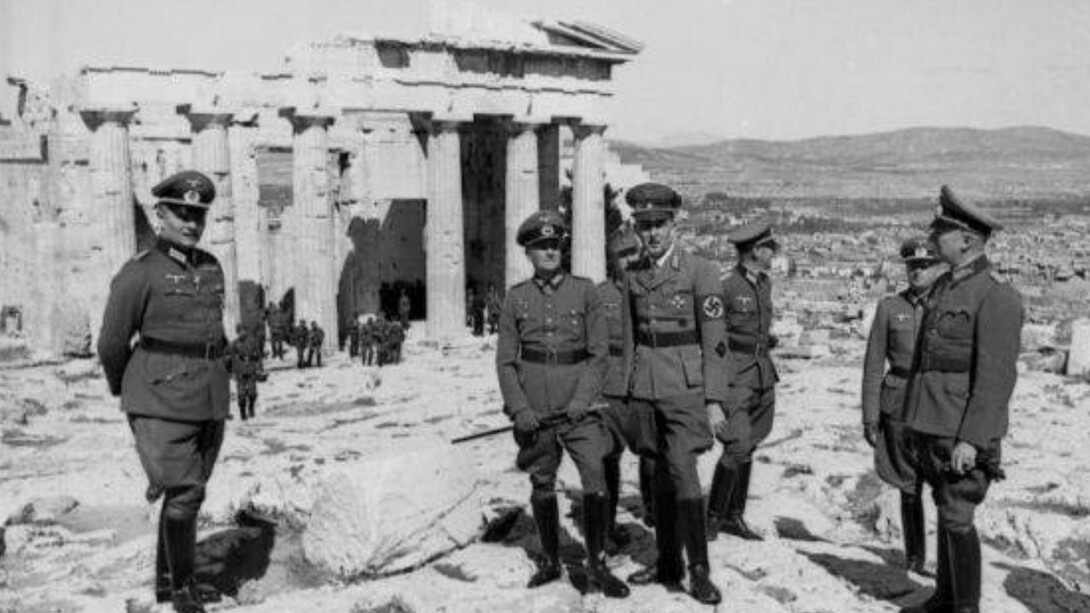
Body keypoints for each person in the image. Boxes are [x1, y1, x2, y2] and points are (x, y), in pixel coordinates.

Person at [97, 170, 229, 613]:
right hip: (159, 396)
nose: (191, 223)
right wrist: (128, 392)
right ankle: (184, 593)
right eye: (182, 214)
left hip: (209, 395)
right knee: (187, 491)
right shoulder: (140, 273)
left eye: (198, 215)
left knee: (185, 493)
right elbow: (112, 342)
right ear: (161, 215)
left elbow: (215, 331)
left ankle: (166, 582)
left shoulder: (211, 267)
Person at [900, 186, 1024, 613]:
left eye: (942, 231)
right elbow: (923, 361)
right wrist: (908, 418)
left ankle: (965, 608)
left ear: (967, 240)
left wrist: (973, 439)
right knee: (945, 509)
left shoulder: (996, 295)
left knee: (957, 515)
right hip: (931, 423)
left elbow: (996, 378)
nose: (933, 238)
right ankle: (946, 598)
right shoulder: (944, 289)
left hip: (960, 430)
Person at [495, 210, 629, 599]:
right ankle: (551, 561)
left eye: (555, 245)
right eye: (541, 247)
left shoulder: (585, 291)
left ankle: (598, 563)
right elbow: (505, 361)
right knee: (542, 481)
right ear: (529, 254)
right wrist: (520, 410)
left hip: (581, 409)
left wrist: (583, 399)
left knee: (595, 478)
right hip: (535, 409)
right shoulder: (515, 298)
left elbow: (599, 355)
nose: (550, 252)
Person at [621, 182, 726, 605]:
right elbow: (630, 338)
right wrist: (625, 391)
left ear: (674, 224)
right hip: (646, 386)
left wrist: (714, 398)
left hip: (685, 387)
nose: (652, 233)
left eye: (659, 224)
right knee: (658, 474)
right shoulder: (632, 274)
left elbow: (715, 341)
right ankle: (668, 562)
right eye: (644, 225)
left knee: (683, 473)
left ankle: (698, 569)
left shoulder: (700, 271)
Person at [862, 237, 947, 576]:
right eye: (912, 266)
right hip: (897, 403)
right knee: (908, 484)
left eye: (924, 266)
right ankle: (914, 556)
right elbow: (872, 366)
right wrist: (870, 417)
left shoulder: (947, 306)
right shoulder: (889, 307)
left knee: (942, 484)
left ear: (937, 268)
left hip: (936, 403)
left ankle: (947, 559)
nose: (917, 272)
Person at [707, 218, 781, 541]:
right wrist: (712, 393)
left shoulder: (765, 283)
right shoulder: (724, 285)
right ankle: (712, 518)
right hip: (734, 376)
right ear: (754, 250)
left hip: (762, 373)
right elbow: (711, 338)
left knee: (750, 445)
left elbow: (760, 328)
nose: (773, 252)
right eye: (769, 248)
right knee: (736, 445)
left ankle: (735, 516)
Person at [597, 227, 657, 550]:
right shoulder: (599, 296)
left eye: (633, 253)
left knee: (652, 456)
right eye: (622, 255)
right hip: (609, 388)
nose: (629, 260)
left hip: (644, 384)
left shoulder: (653, 291)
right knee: (608, 458)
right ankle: (606, 527)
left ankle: (653, 513)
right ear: (613, 260)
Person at [227, 325, 265, 422]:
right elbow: (231, 358)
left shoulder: (252, 342)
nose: (242, 333)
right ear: (237, 332)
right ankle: (242, 413)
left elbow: (258, 356)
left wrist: (260, 368)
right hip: (240, 370)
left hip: (251, 369)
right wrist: (232, 371)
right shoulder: (234, 344)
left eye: (243, 331)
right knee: (241, 394)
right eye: (239, 331)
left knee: (252, 393)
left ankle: (251, 407)